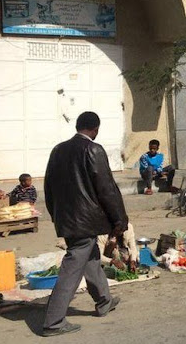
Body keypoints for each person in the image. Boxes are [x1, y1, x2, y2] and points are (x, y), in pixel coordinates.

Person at [42, 112, 128, 336]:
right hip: (85, 221)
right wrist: (119, 219)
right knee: (72, 268)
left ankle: (104, 301)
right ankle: (53, 322)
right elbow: (106, 188)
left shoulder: (57, 150)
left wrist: (56, 215)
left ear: (78, 126)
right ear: (95, 129)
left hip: (68, 220)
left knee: (91, 258)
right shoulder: (93, 149)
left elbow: (48, 187)